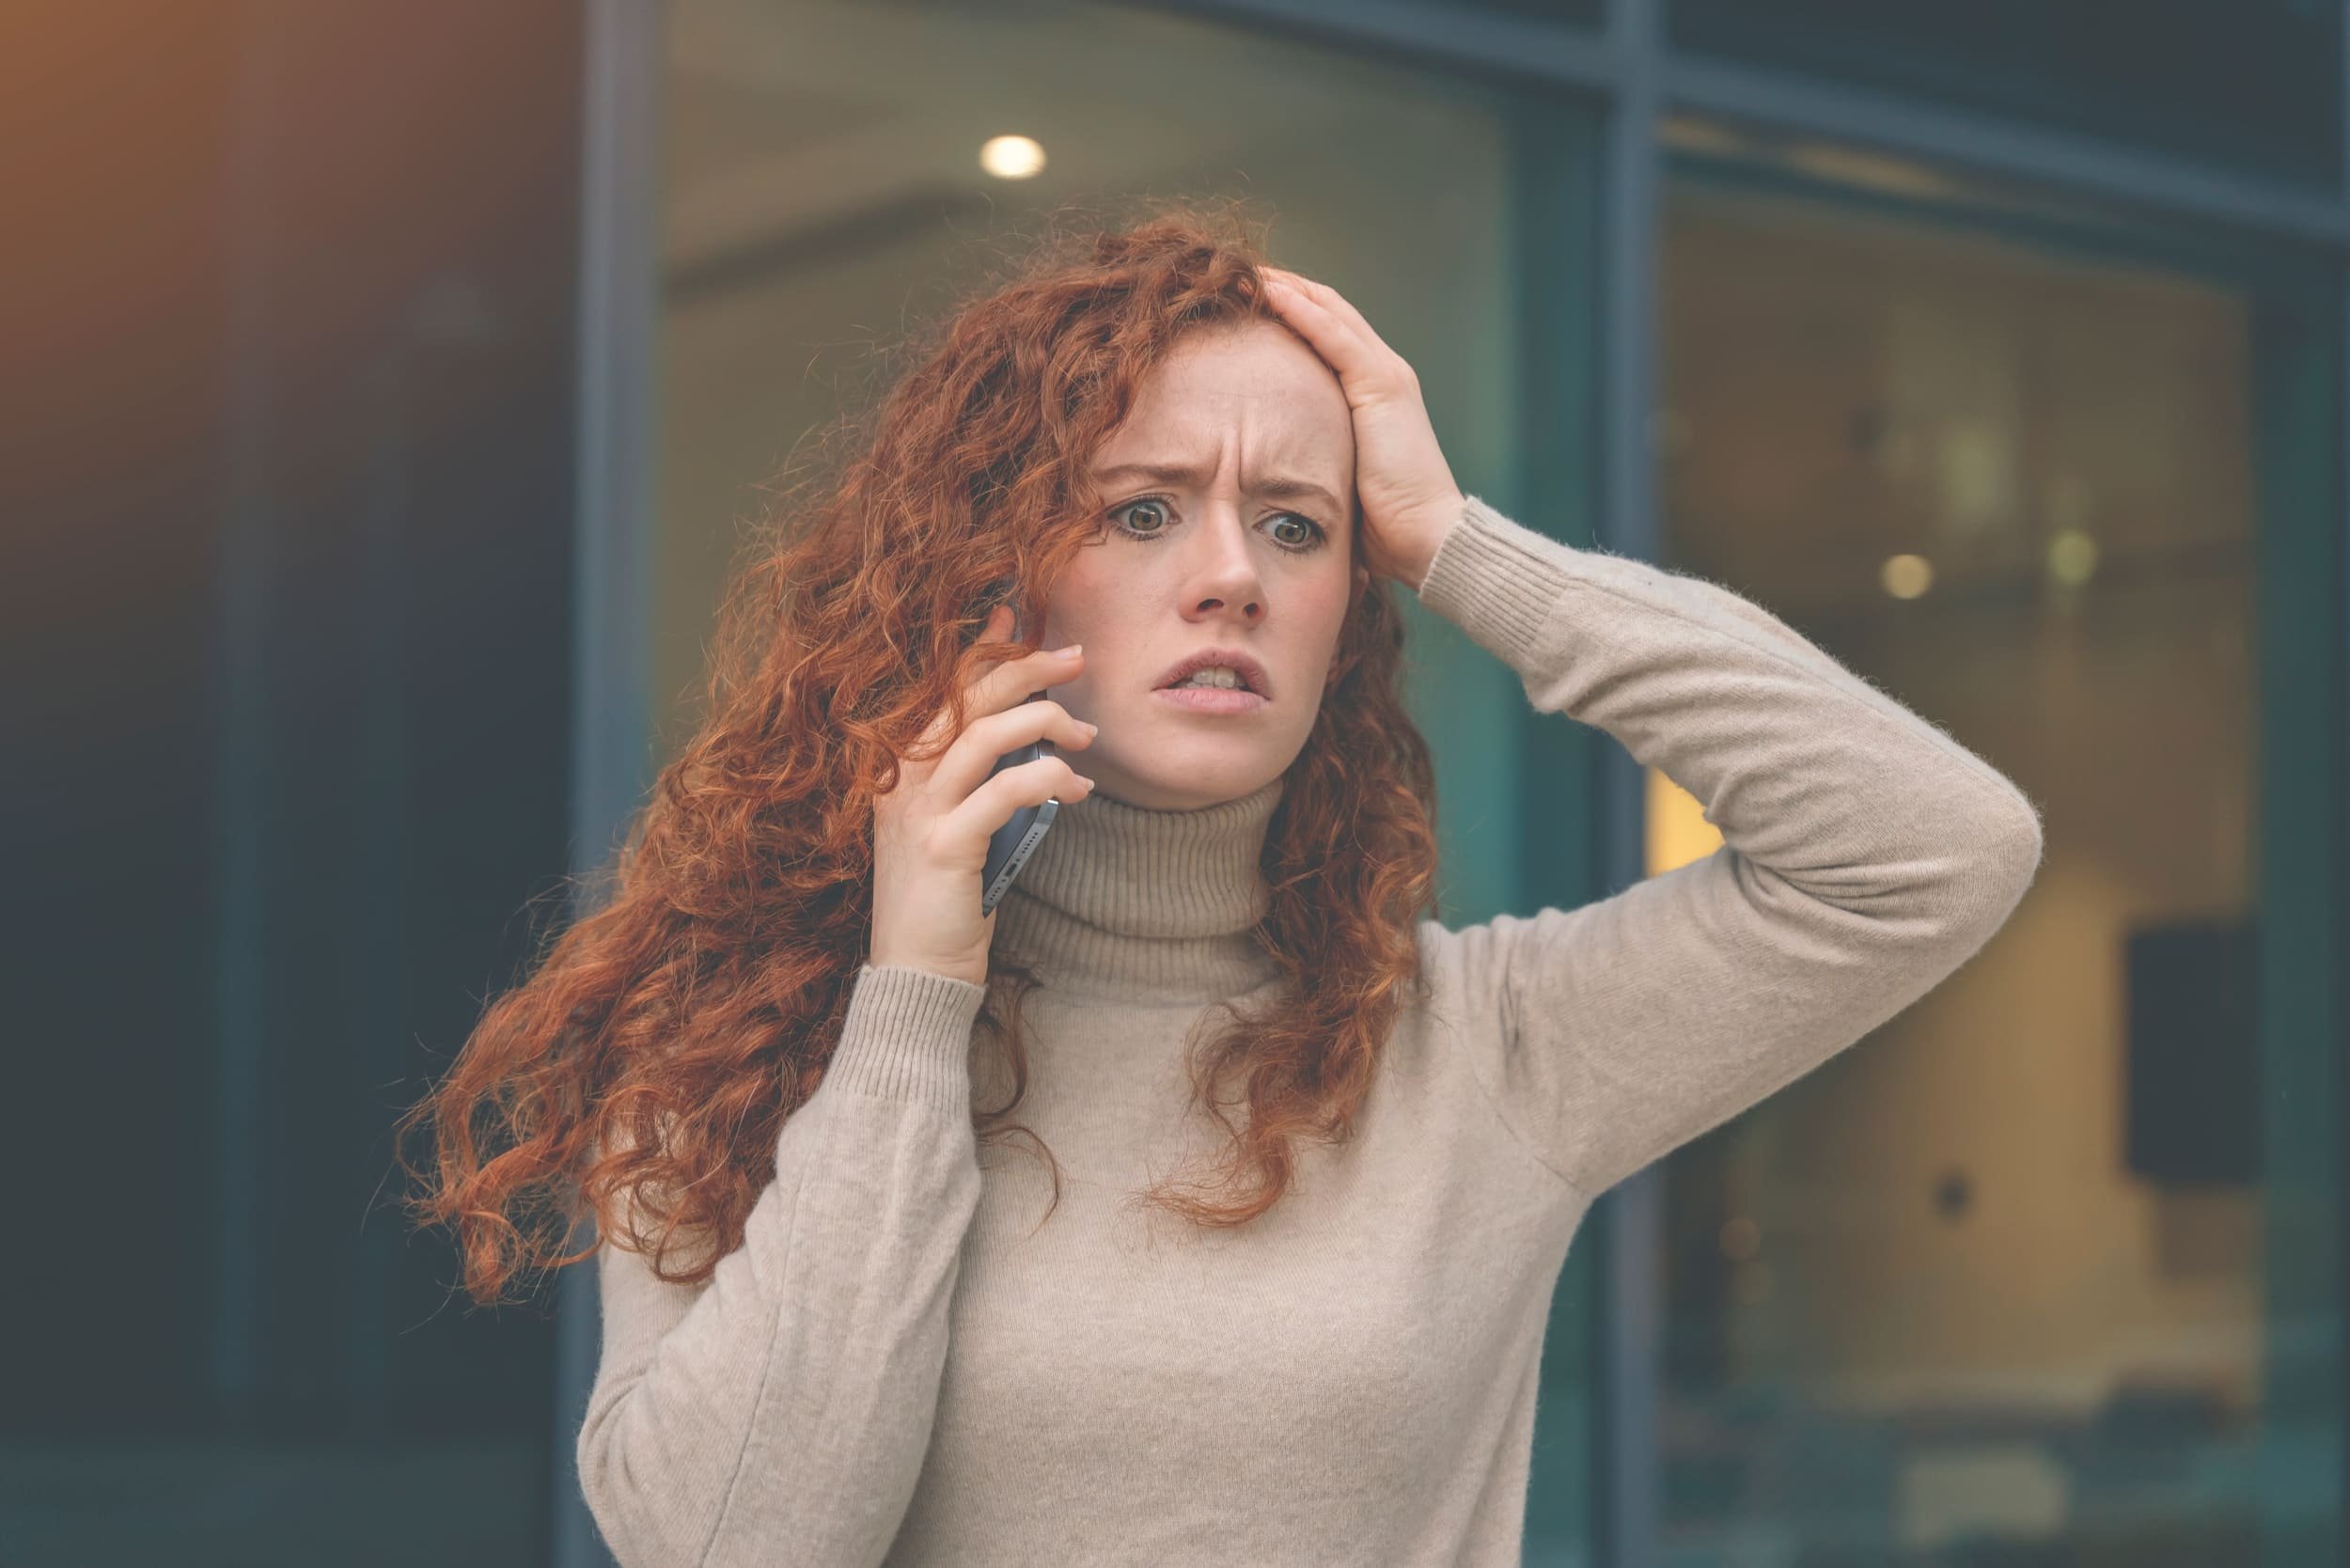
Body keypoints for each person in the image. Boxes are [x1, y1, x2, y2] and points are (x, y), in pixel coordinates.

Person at [399, 208, 2043, 1567]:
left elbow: (1932, 845)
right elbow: (733, 1547)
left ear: (1351, 609)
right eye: (1139, 510)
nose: (1233, 577)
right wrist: (912, 992)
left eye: (1297, 527)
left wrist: (1458, 538)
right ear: (990, 574)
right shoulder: (730, 1052)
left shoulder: (1486, 1050)